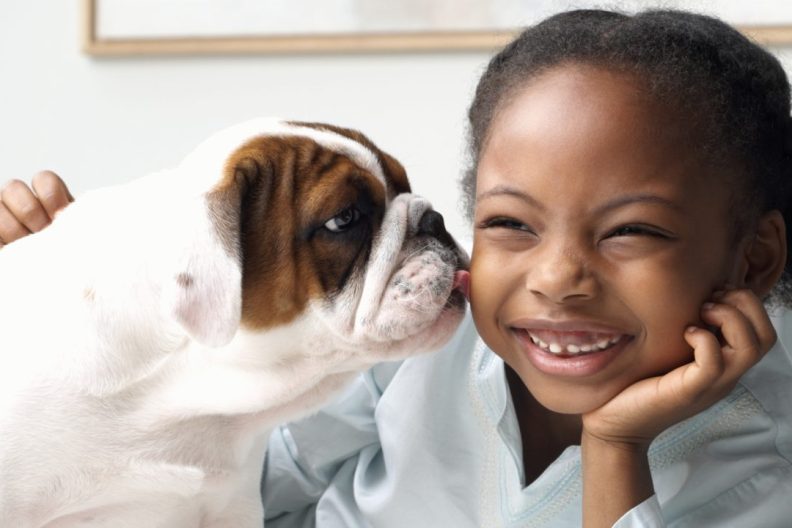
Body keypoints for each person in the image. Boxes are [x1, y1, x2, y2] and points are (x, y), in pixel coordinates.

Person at [3, 8, 792, 527]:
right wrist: (57, 301)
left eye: (630, 232)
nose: (556, 278)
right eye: (509, 223)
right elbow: (223, 489)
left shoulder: (769, 461)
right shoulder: (420, 342)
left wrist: (616, 449)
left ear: (753, 258)